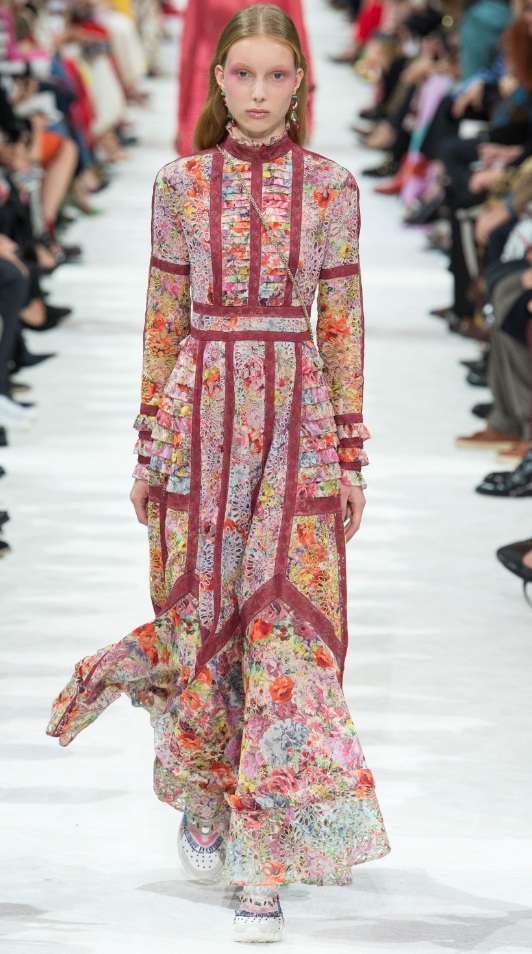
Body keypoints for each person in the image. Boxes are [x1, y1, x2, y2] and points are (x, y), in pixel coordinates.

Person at [46, 4, 390, 943]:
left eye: (277, 76)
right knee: (202, 613)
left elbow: (342, 327)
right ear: (218, 80)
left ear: (300, 84)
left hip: (295, 422)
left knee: (288, 630)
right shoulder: (180, 186)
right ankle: (207, 787)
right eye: (243, 74)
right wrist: (149, 448)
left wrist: (349, 454)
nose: (259, 93)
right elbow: (163, 321)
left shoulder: (333, 189)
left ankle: (261, 855)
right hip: (199, 421)